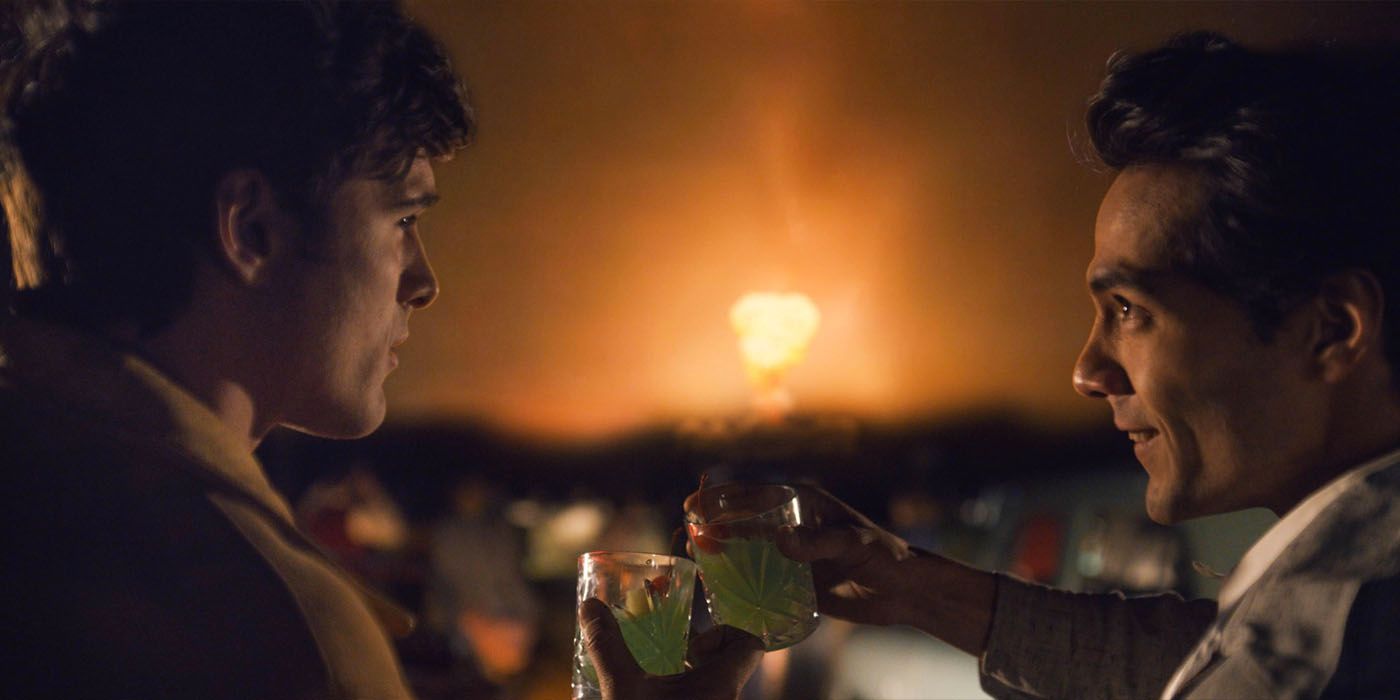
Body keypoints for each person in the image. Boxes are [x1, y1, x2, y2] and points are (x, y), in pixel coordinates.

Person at [0, 2, 760, 698]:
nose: (424, 281)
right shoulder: (268, 623)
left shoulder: (49, 473)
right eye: (402, 220)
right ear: (252, 231)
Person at [774, 33, 1400, 700]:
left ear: (1333, 329)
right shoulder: (1340, 609)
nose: (1088, 371)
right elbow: (1205, 653)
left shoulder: (1317, 659)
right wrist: (914, 586)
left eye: (1129, 309)